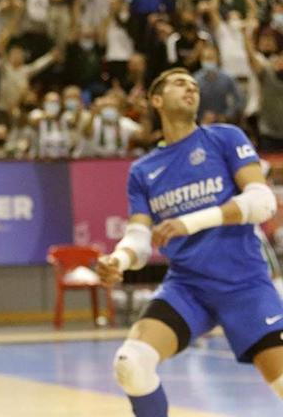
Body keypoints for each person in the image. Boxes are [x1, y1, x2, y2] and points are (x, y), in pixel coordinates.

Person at [97, 68, 283, 417]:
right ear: (156, 100)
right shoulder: (143, 170)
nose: (191, 88)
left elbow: (262, 201)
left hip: (243, 283)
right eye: (180, 83)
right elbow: (139, 238)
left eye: (195, 86)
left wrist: (189, 222)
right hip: (188, 288)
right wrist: (118, 261)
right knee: (131, 363)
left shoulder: (225, 138)